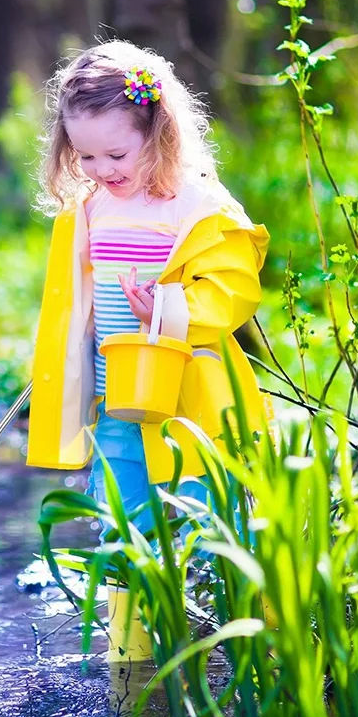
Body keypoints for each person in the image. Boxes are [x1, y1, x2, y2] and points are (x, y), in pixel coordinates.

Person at [25, 40, 271, 660]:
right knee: (123, 526)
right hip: (117, 400)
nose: (103, 167)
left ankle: (253, 645)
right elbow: (79, 298)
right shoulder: (91, 208)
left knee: (213, 517)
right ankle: (132, 661)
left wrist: (165, 308)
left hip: (188, 400)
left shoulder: (195, 204)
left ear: (158, 133)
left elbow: (234, 290)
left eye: (116, 152)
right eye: (85, 155)